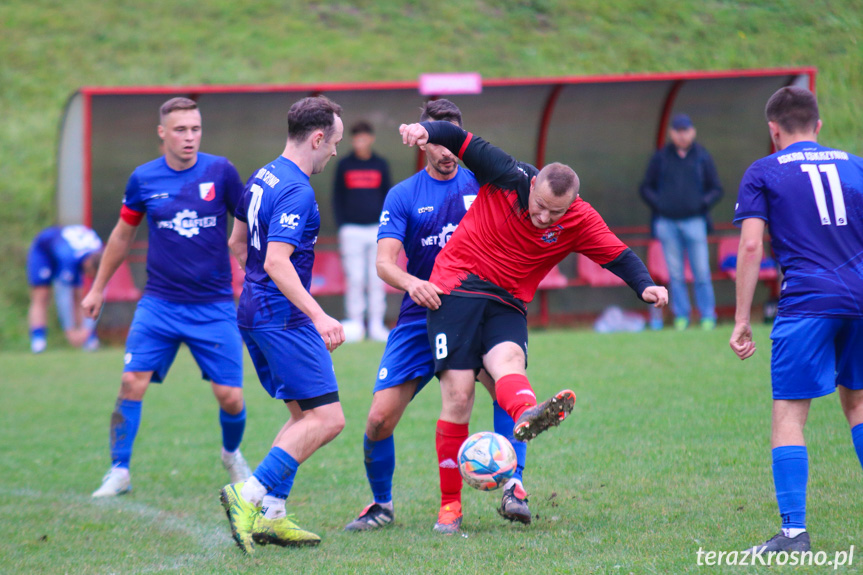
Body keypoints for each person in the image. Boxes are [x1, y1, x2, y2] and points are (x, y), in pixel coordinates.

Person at [399, 120, 668, 533]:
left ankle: (527, 422)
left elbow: (618, 254)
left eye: (554, 211)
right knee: (459, 395)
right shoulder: (506, 173)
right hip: (456, 287)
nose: (542, 216)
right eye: (538, 204)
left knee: (509, 364)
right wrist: (424, 129)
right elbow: (458, 138)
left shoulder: (578, 219)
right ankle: (450, 507)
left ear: (571, 205)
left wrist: (646, 286)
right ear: (534, 185)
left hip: (508, 299)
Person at [344, 100, 532, 533]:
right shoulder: (405, 194)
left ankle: (512, 487)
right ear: (424, 142)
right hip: (419, 316)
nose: (446, 151)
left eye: (453, 140)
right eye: (437, 141)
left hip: (477, 310)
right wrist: (413, 283)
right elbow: (385, 263)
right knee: (378, 419)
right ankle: (381, 505)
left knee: (501, 386)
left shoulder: (485, 183)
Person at [82, 97, 251, 498]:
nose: (189, 137)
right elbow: (123, 235)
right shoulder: (143, 179)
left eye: (195, 129)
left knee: (230, 396)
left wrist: (254, 269)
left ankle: (231, 454)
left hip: (213, 306)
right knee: (130, 381)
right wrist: (97, 287)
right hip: (159, 304)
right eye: (180, 130)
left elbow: (246, 222)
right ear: (162, 133)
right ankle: (119, 470)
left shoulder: (221, 171)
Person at [730, 86, 863, 554]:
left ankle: (793, 534)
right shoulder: (856, 164)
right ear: (819, 126)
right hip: (861, 299)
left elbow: (750, 247)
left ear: (774, 131)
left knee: (789, 412)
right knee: (859, 406)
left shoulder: (764, 170)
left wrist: (742, 318)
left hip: (807, 302)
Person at [220, 95, 346, 553]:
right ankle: (247, 495)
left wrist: (255, 285)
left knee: (302, 417)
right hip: (283, 318)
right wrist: (319, 315)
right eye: (333, 142)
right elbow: (277, 261)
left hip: (254, 312)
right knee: (329, 419)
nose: (334, 152)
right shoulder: (296, 188)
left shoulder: (261, 175)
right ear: (317, 138)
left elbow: (238, 241)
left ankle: (272, 516)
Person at [639, 113, 723, 330]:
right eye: (678, 131)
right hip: (667, 223)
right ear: (671, 133)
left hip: (695, 222)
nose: (682, 135)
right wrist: (661, 204)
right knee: (675, 274)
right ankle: (681, 316)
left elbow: (716, 189)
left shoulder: (702, 156)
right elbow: (645, 187)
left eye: (686, 131)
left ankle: (707, 315)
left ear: (693, 132)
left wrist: (700, 203)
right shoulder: (661, 157)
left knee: (702, 271)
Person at [332, 120, 392, 342]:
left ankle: (376, 324)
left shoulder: (380, 164)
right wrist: (343, 225)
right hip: (352, 230)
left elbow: (389, 197)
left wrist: (386, 227)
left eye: (364, 137)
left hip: (377, 230)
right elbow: (336, 197)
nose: (361, 141)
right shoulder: (344, 164)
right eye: (356, 137)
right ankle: (356, 323)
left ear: (371, 138)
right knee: (355, 278)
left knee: (378, 278)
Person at [27, 225, 102, 353]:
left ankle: (87, 337)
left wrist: (87, 330)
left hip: (69, 251)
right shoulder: (68, 257)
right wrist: (69, 330)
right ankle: (38, 339)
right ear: (88, 264)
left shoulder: (103, 254)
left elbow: (101, 293)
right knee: (42, 295)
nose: (89, 276)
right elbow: (63, 295)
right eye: (90, 272)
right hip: (44, 251)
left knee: (80, 295)